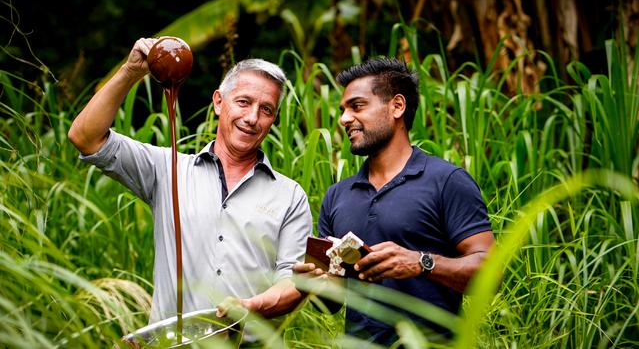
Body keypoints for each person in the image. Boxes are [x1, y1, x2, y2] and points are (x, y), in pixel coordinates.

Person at [68, 38, 312, 328]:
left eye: (266, 109)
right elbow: (86, 137)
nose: (252, 118)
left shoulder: (290, 196)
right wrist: (130, 72)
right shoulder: (167, 169)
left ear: (273, 119)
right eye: (243, 102)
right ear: (219, 103)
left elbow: (293, 281)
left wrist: (252, 306)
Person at [293, 58, 495, 345]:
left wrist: (421, 262)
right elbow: (330, 304)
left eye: (357, 106)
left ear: (397, 106)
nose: (344, 118)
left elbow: (491, 273)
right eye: (343, 110)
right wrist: (313, 285)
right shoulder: (336, 196)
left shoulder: (447, 181)